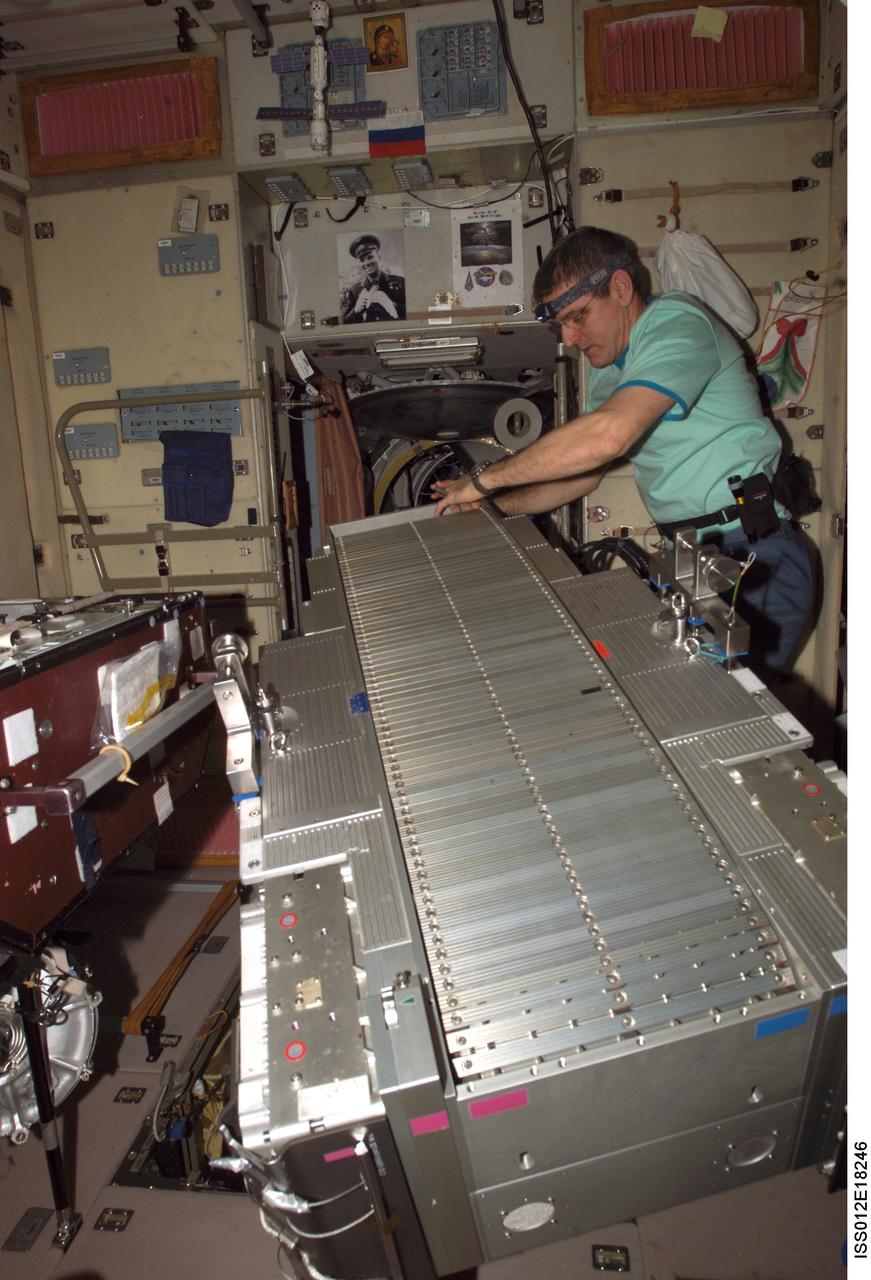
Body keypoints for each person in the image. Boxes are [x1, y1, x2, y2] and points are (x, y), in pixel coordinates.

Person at [432, 226, 815, 678]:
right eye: (562, 326)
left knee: (733, 720)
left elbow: (607, 437)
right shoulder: (610, 370)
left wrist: (485, 477)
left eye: (578, 316)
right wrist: (493, 506)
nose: (570, 338)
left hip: (753, 556)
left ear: (620, 287)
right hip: (693, 556)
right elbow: (581, 476)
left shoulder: (678, 324)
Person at [340, 234, 406, 324]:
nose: (366, 263)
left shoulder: (400, 282)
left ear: (379, 257)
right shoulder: (355, 290)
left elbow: (415, 313)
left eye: (370, 257)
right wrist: (355, 311)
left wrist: (393, 305)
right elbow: (344, 324)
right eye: (362, 260)